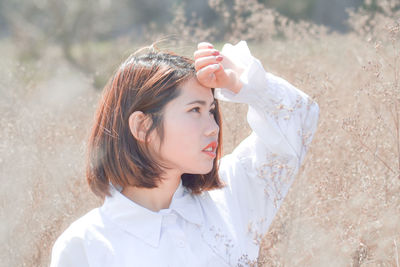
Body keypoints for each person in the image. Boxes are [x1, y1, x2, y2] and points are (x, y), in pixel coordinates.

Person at [50, 40, 319, 266]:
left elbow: (300, 116)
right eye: (195, 111)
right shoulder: (85, 245)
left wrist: (239, 82)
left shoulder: (231, 196)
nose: (213, 128)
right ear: (143, 127)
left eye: (211, 110)